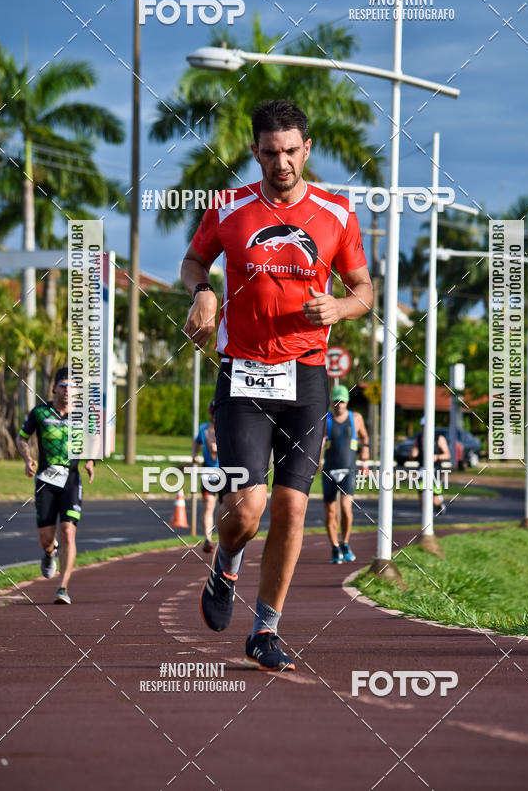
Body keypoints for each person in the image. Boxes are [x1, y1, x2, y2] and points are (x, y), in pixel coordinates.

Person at [181, 99, 372, 671]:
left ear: (306, 149)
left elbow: (364, 290)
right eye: (270, 152)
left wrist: (339, 306)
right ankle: (225, 565)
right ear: (255, 152)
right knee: (246, 509)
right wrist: (203, 292)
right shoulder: (229, 207)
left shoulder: (337, 213)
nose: (281, 162)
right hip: (243, 373)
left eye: (291, 151)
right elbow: (193, 263)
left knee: (291, 507)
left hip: (306, 378)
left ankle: (265, 630)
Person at [15, 367, 94, 604]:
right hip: (45, 480)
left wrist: (91, 461)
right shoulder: (40, 412)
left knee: (68, 532)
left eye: (72, 387)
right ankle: (49, 553)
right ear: (54, 388)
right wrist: (27, 459)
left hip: (71, 480)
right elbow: (22, 438)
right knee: (46, 538)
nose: (67, 391)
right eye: (63, 386)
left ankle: (63, 588)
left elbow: (93, 440)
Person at [321, 384, 369, 564]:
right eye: (336, 401)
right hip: (329, 470)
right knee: (330, 511)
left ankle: (346, 543)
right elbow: (319, 440)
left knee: (346, 509)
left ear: (347, 402)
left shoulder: (355, 418)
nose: (339, 404)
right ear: (332, 401)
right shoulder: (326, 419)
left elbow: (365, 436)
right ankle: (334, 547)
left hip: (348, 470)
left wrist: (365, 453)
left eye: (342, 401)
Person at [192, 400, 219, 553]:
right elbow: (196, 442)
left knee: (226, 506)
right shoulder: (203, 428)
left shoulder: (228, 428)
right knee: (208, 504)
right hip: (208, 471)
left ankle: (225, 539)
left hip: (227, 471)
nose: (215, 415)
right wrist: (194, 455)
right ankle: (208, 539)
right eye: (213, 412)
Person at [410, 418, 450, 517]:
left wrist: (437, 456)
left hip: (435, 470)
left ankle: (439, 504)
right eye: (423, 427)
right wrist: (413, 454)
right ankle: (424, 518)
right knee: (422, 494)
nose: (424, 429)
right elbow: (413, 454)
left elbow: (447, 455)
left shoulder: (439, 438)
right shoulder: (418, 439)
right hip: (422, 469)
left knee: (433, 497)